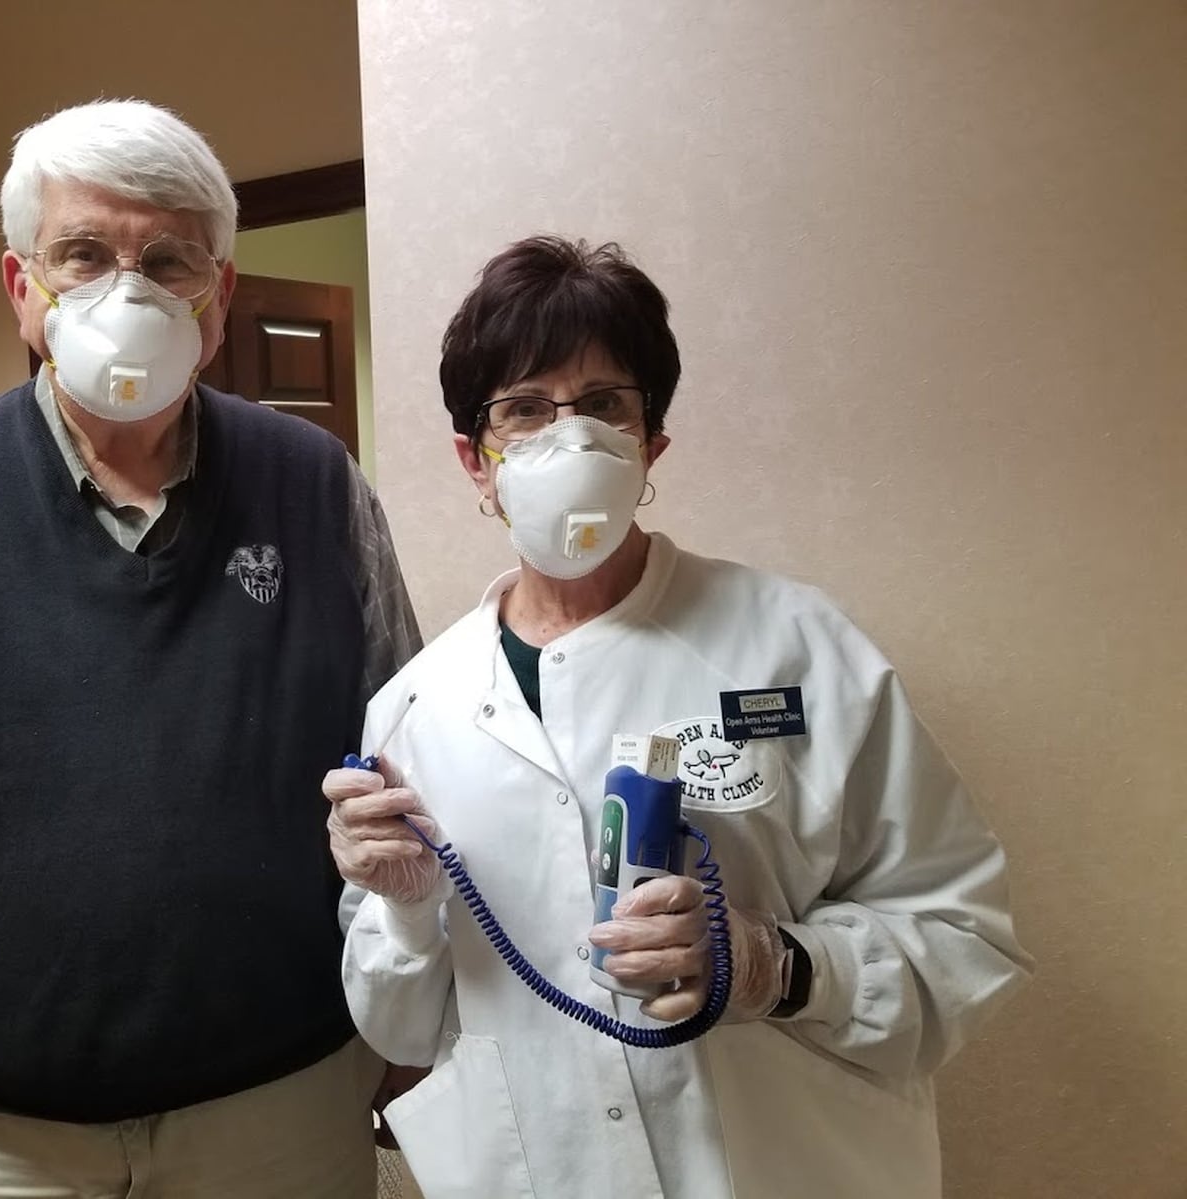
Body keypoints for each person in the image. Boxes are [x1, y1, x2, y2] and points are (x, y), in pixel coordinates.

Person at [0, 98, 420, 1199]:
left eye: (168, 260)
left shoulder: (317, 484)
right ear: (23, 291)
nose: (126, 291)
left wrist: (406, 1003)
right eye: (83, 255)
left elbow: (406, 770)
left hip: (282, 1097)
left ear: (220, 295)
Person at [324, 236, 1032, 1198]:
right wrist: (408, 908)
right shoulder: (413, 707)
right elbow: (398, 1028)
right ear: (475, 462)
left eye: (604, 405)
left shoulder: (796, 646)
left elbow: (964, 933)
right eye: (524, 410)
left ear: (650, 443)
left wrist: (777, 965)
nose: (567, 439)